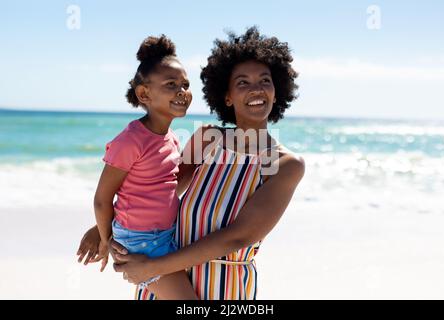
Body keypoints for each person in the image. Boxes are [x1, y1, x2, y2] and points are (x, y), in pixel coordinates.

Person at [79, 27, 305, 300]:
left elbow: (238, 238)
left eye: (265, 81)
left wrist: (152, 267)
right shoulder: (208, 139)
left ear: (276, 91)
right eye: (242, 82)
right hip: (162, 282)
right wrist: (105, 228)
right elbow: (160, 189)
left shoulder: (283, 164)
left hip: (221, 286)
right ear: (227, 96)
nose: (256, 89)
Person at [76, 35, 197, 300]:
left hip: (164, 235)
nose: (182, 91)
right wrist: (106, 240)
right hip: (142, 243)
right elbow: (102, 199)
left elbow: (167, 187)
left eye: (185, 85)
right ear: (144, 93)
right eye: (171, 84)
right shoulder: (131, 140)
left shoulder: (171, 138)